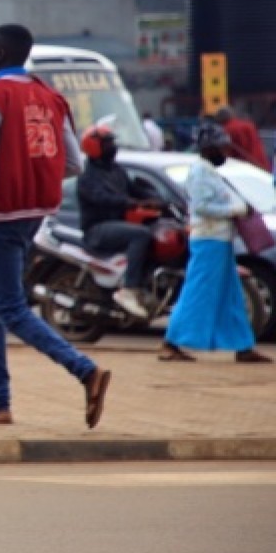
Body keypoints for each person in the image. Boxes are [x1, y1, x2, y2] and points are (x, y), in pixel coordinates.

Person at [0, 24, 112, 428]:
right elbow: (72, 163)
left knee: (9, 308)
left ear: (0, 52)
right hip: (34, 212)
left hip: (3, 215)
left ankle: (84, 370)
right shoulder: (49, 96)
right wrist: (30, 175)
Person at [160, 124, 272, 363]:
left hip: (219, 241)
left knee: (231, 296)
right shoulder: (200, 172)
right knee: (197, 292)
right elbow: (202, 207)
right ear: (209, 149)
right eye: (221, 147)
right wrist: (237, 209)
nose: (226, 152)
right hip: (208, 240)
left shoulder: (209, 170)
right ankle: (171, 342)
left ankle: (243, 346)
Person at [77, 124, 158, 319]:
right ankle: (129, 289)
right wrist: (131, 203)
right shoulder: (87, 177)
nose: (113, 147)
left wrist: (157, 198)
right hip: (97, 229)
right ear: (95, 148)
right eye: (108, 144)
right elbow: (103, 198)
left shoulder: (116, 170)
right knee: (141, 234)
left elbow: (134, 189)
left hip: (117, 225)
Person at [215, 107, 270, 171]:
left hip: (242, 167)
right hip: (261, 164)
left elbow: (227, 152)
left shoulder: (225, 130)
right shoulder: (249, 125)